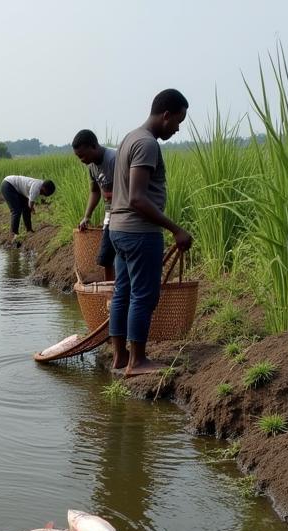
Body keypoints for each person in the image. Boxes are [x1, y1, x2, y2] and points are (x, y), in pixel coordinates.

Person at [107, 89, 193, 375]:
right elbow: (137, 198)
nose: (178, 128)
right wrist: (176, 229)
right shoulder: (147, 144)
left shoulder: (130, 138)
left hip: (119, 231)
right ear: (166, 115)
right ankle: (138, 361)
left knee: (123, 292)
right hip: (139, 232)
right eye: (178, 121)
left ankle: (120, 357)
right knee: (143, 295)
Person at [71, 129, 116, 282]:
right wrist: (86, 217)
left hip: (126, 216)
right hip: (110, 216)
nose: (81, 160)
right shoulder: (92, 166)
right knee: (106, 258)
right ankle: (111, 292)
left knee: (124, 257)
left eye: (82, 155)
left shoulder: (114, 159)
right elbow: (95, 191)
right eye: (78, 157)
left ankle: (122, 293)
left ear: (94, 146)